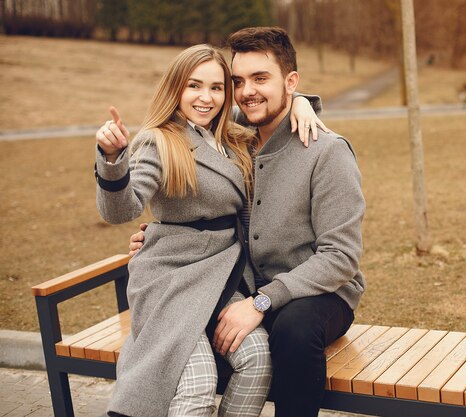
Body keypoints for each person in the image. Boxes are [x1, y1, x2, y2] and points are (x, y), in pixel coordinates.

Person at [130, 27, 366, 417]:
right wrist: (160, 236)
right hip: (234, 287)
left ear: (290, 82)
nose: (246, 91)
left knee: (291, 331)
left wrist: (261, 301)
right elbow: (194, 115)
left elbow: (340, 257)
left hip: (318, 293)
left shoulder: (327, 152)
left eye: (261, 78)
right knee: (196, 330)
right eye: (238, 81)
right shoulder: (235, 138)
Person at [94, 44, 321, 417]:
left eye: (217, 88)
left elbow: (267, 105)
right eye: (194, 86)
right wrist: (113, 160)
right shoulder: (159, 140)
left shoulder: (231, 135)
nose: (206, 97)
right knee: (197, 385)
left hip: (223, 277)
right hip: (171, 280)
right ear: (176, 89)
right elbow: (123, 210)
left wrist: (300, 102)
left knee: (258, 359)